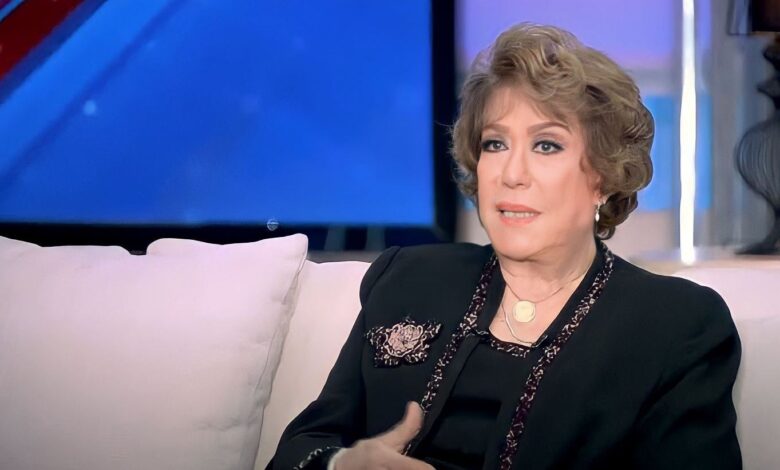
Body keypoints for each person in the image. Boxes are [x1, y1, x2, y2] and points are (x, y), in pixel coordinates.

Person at [267, 23, 742, 469]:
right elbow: (302, 446)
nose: (511, 174)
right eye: (495, 144)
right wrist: (342, 463)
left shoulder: (676, 326)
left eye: (546, 145)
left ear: (603, 176)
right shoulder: (406, 277)